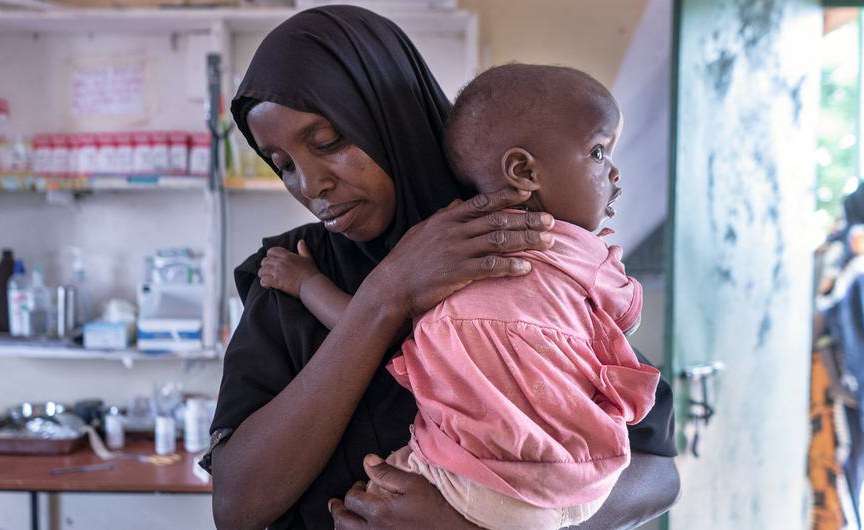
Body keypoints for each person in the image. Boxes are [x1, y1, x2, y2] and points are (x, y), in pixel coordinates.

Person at [204, 6, 679, 530]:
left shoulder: (513, 246)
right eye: (284, 165)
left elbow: (657, 470)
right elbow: (237, 506)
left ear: (390, 116)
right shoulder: (291, 270)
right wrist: (386, 294)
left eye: (328, 143)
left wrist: (478, 524)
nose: (311, 185)